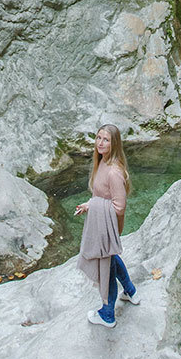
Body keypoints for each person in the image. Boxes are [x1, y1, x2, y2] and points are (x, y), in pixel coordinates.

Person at [75, 123, 138, 327]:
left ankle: (108, 315)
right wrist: (89, 205)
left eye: (106, 140)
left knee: (107, 268)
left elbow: (119, 207)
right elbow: (102, 196)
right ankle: (130, 291)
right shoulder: (101, 162)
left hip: (107, 227)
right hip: (103, 224)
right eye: (98, 138)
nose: (100, 143)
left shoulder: (114, 172)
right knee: (111, 259)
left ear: (114, 144)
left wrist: (93, 205)